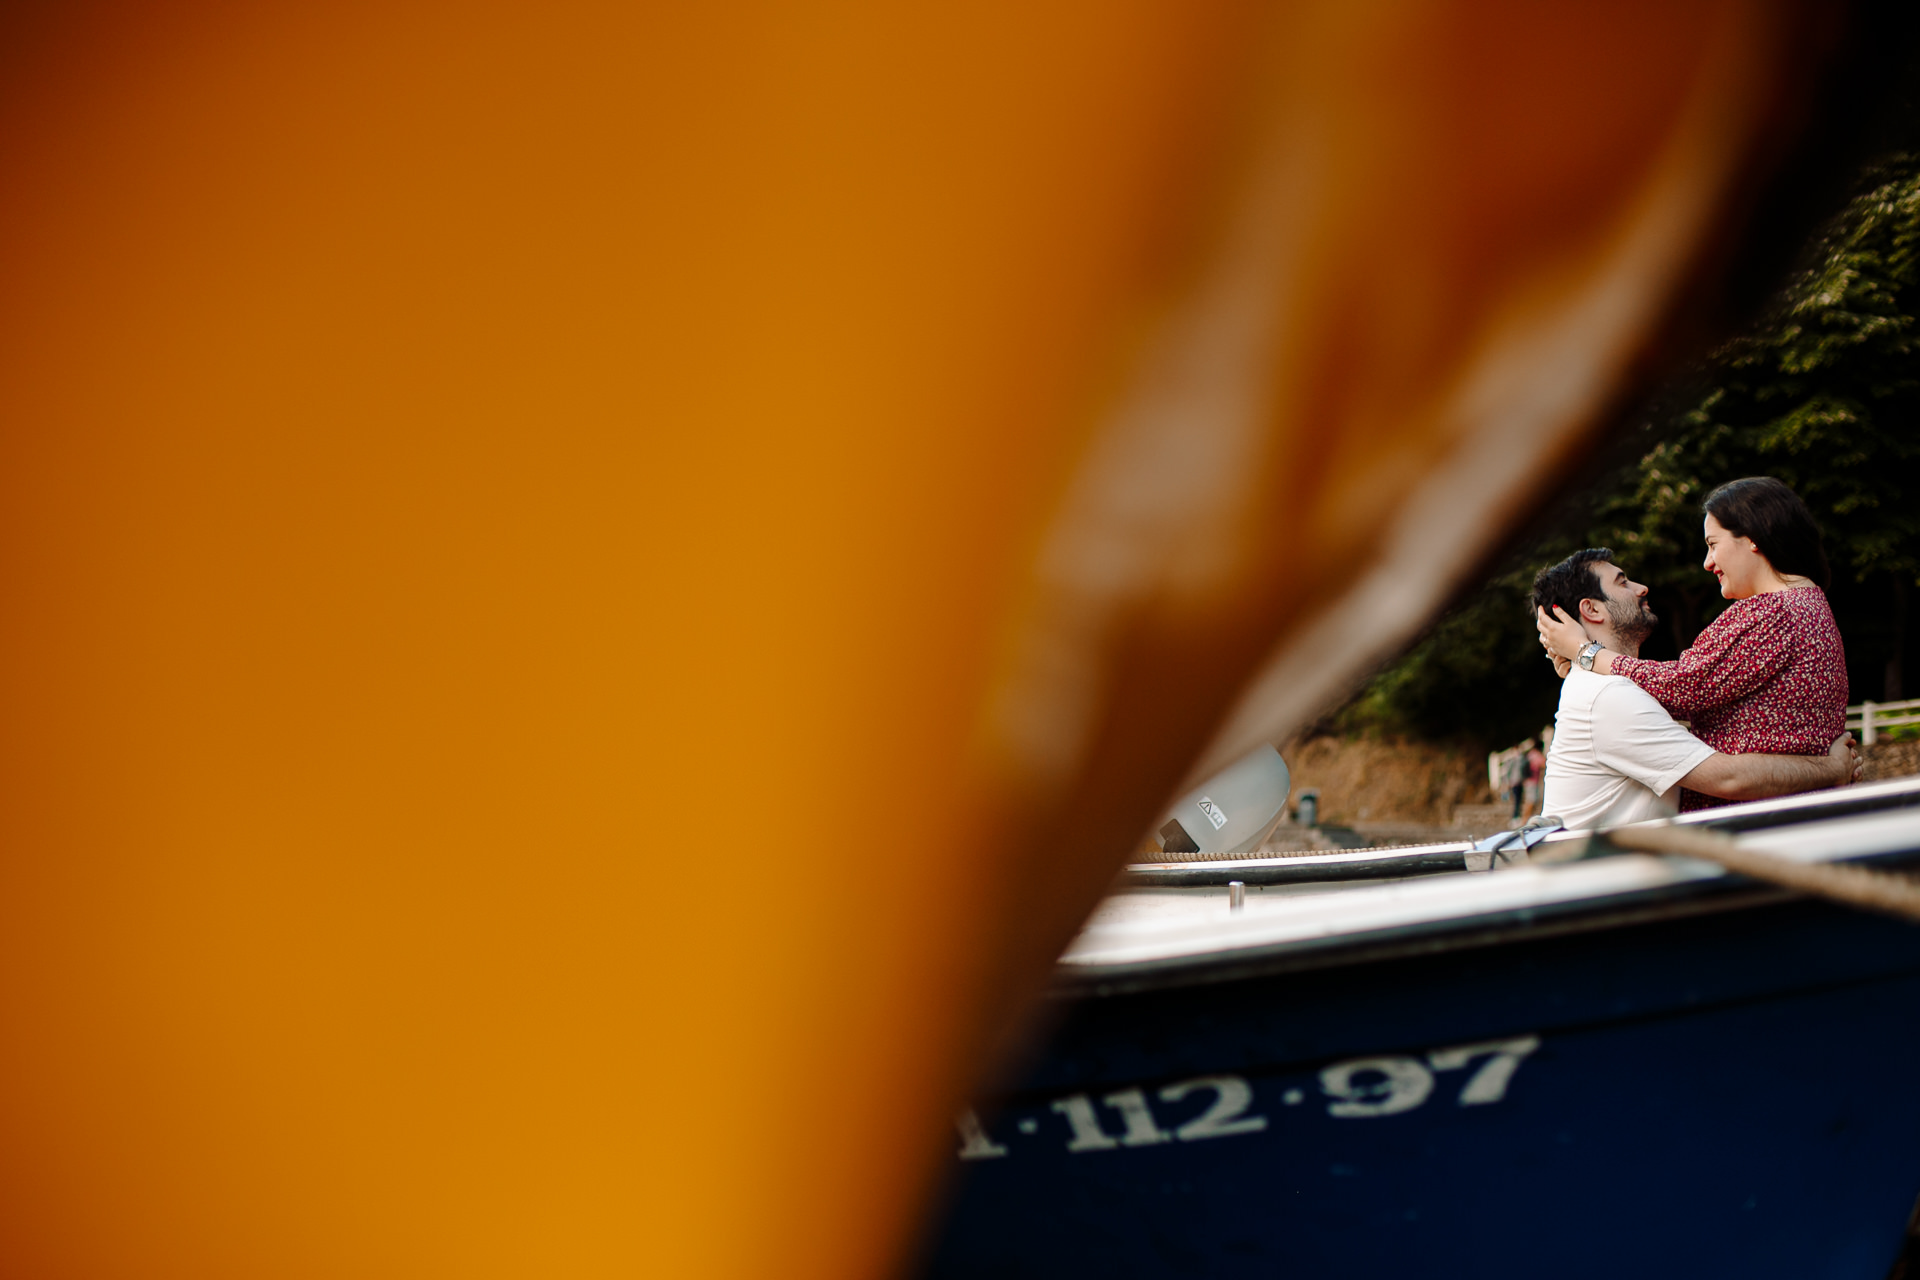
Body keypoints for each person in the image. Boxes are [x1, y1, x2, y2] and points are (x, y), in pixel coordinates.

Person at [1538, 477, 1848, 810]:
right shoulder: (1805, 605)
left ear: (1754, 537)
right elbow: (1684, 695)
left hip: (1756, 820)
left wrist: (1586, 654)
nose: (1708, 561)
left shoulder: (1771, 612)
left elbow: (1683, 686)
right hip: (1783, 813)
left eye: (1713, 544)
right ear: (1591, 609)